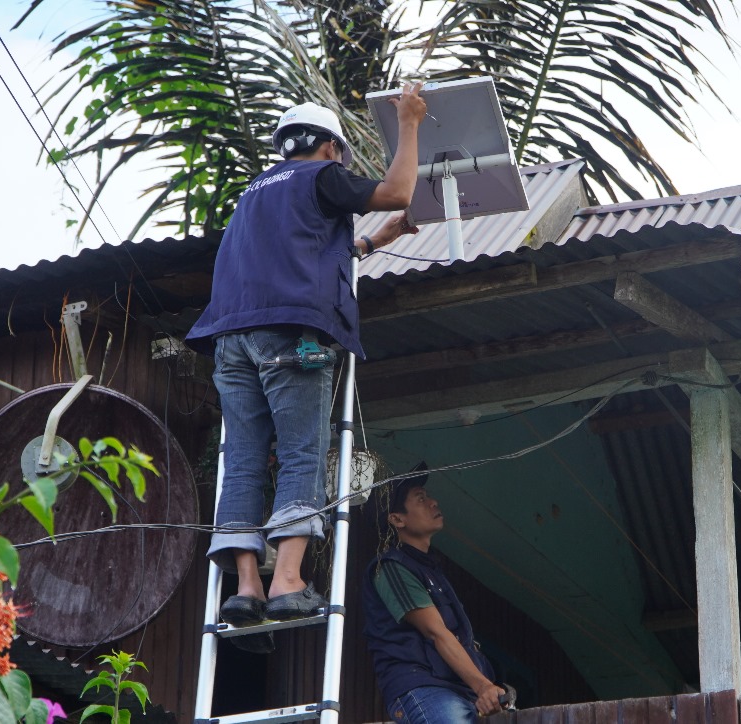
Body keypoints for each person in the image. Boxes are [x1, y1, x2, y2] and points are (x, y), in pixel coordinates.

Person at [184, 84, 427, 633]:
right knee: (301, 454)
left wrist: (371, 244)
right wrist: (410, 122)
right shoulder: (321, 176)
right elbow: (396, 191)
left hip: (231, 342)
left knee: (243, 460)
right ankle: (288, 580)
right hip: (293, 336)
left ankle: (246, 587)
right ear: (329, 148)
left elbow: (299, 254)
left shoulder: (253, 193)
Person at [362, 465, 506, 722]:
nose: (433, 502)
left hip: (458, 691)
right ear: (397, 519)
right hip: (424, 689)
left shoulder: (431, 568)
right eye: (421, 498)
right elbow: (436, 633)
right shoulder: (391, 568)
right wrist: (483, 686)